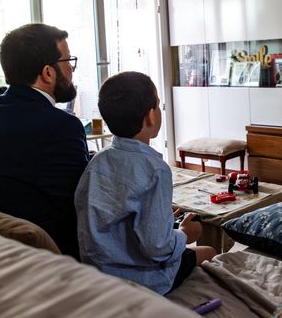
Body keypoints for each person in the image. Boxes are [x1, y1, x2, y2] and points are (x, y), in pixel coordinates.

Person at [75, 71, 216, 294]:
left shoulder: (97, 161)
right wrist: (185, 234)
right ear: (151, 116)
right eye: (158, 105)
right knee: (208, 251)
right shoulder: (155, 169)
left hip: (97, 273)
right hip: (141, 280)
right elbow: (157, 248)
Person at [0, 23, 88, 259]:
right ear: (48, 72)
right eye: (67, 61)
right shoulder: (59, 126)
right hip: (46, 258)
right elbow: (83, 206)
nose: (71, 69)